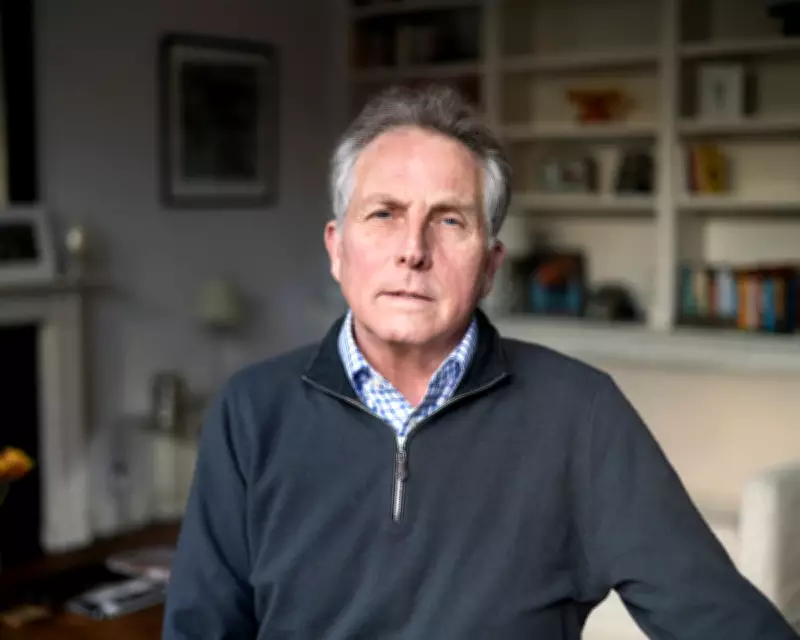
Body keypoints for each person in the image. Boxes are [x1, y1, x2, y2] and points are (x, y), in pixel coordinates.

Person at [162, 85, 798, 640]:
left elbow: (722, 621)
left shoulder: (580, 414)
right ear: (337, 248)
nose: (413, 250)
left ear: (491, 266)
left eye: (449, 221)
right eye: (383, 214)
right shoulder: (252, 410)